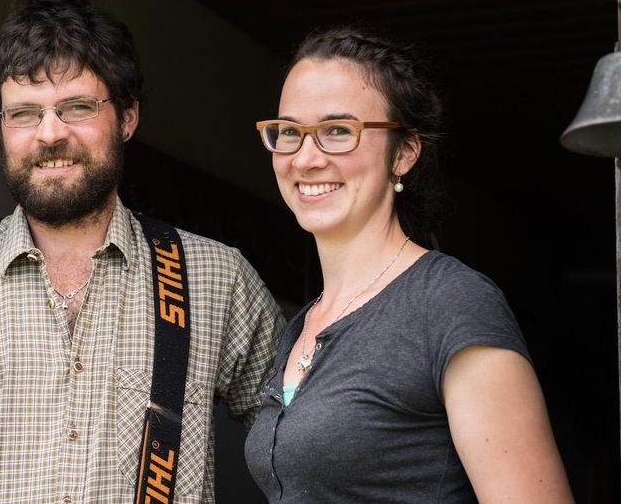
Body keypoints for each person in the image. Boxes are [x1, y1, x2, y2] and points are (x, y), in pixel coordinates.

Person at [0, 0, 284, 504]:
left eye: (77, 107)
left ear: (127, 117)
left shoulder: (216, 277)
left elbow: (308, 451)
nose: (50, 134)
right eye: (24, 113)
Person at [244, 28, 574, 503]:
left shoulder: (450, 303)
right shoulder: (304, 325)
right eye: (290, 132)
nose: (306, 158)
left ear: (403, 153)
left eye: (338, 131)